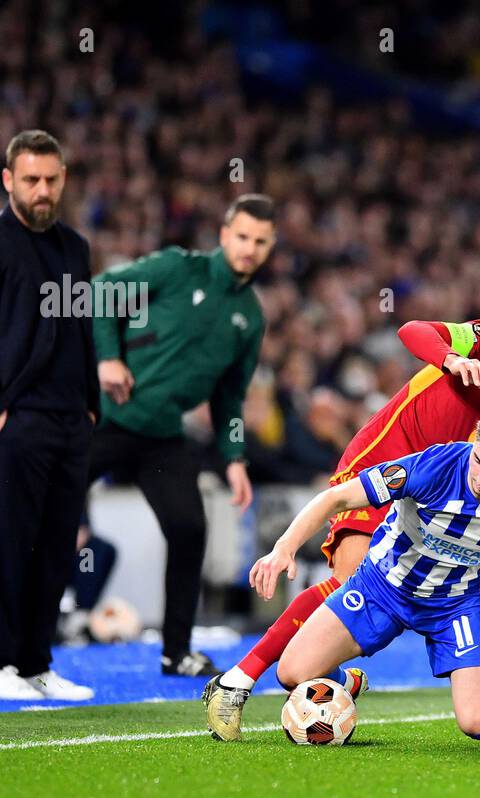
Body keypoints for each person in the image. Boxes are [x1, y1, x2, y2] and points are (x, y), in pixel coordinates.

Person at [203, 311, 480, 742]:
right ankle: (238, 680)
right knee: (353, 575)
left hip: (456, 497)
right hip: (393, 463)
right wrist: (451, 360)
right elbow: (413, 331)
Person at [239, 403, 480, 748]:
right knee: (291, 674)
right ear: (475, 439)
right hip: (382, 587)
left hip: (458, 606)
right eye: (479, 461)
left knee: (479, 723)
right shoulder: (433, 466)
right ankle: (345, 683)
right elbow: (335, 498)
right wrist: (283, 547)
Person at [88, 194, 274, 676]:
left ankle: (176, 652)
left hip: (162, 434)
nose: (249, 248)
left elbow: (230, 398)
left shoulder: (250, 318)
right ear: (223, 235)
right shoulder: (177, 268)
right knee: (41, 509)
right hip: (105, 417)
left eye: (260, 241)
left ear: (270, 247)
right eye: (242, 237)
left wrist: (234, 457)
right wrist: (107, 358)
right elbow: (103, 289)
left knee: (190, 529)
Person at [0, 130, 98, 701]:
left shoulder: (74, 247)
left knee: (58, 541)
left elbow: (83, 331)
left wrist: (90, 406)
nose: (43, 190)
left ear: (63, 179)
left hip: (68, 418)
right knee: (11, 538)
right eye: (31, 179)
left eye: (52, 179)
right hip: (15, 419)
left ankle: (36, 662)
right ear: (8, 180)